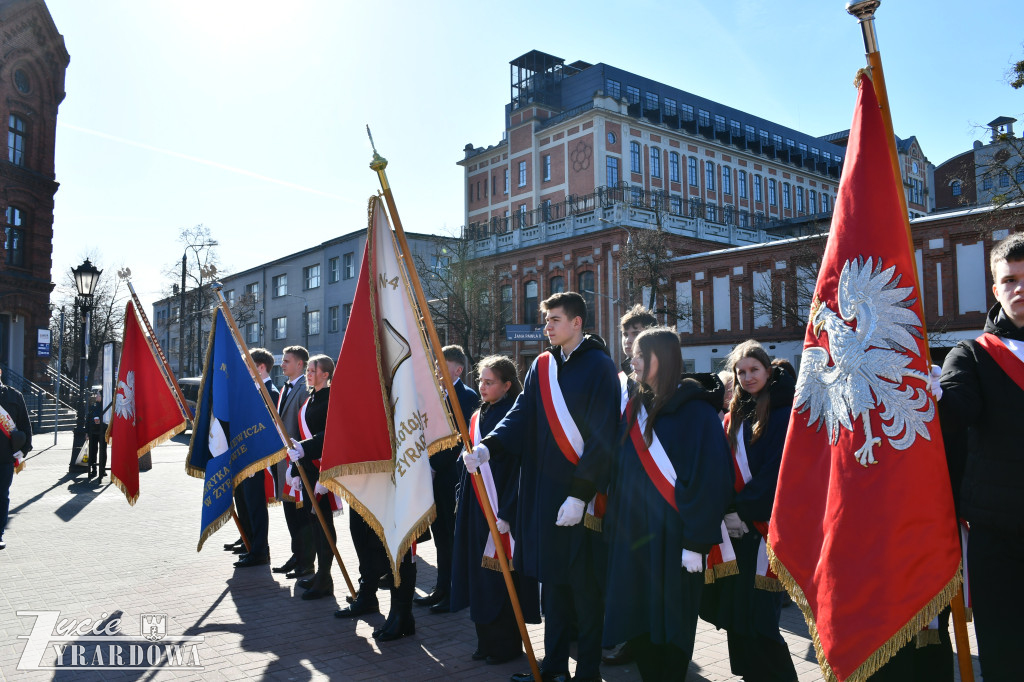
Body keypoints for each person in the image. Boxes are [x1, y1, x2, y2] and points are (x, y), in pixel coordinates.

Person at [465, 291, 620, 682]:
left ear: (577, 323)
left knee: (584, 592)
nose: (546, 326)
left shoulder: (600, 367)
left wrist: (580, 493)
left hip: (579, 500)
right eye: (545, 319)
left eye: (554, 319)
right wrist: (490, 446)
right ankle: (554, 667)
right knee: (553, 586)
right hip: (544, 493)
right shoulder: (541, 366)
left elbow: (604, 436)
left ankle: (587, 672)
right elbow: (521, 414)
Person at [604, 328, 733, 681]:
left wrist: (696, 542)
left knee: (672, 627)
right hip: (633, 538)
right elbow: (620, 468)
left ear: (665, 358)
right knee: (638, 622)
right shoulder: (635, 408)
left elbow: (713, 481)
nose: (634, 360)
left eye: (643, 355)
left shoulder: (698, 414)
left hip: (676, 541)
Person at [937, 231, 1024, 681]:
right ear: (995, 289)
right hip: (998, 535)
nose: (1019, 289)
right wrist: (929, 393)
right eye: (1009, 280)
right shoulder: (970, 354)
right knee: (1006, 655)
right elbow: (956, 411)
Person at [700, 340, 798, 682]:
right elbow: (724, 469)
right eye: (741, 372)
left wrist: (741, 512)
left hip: (764, 526)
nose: (747, 376)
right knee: (737, 615)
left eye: (754, 369)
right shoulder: (735, 415)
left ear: (768, 371)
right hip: (736, 529)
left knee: (760, 619)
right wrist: (728, 511)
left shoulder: (785, 414)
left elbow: (776, 473)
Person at [451, 355, 539, 665]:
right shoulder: (476, 417)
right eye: (481, 381)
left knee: (502, 580)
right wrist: (461, 496)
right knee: (479, 577)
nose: (483, 387)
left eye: (490, 382)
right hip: (476, 509)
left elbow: (519, 470)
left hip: (502, 512)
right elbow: (466, 466)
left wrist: (508, 513)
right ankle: (485, 639)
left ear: (507, 385)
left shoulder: (513, 419)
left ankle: (506, 644)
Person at [602, 303, 658, 667]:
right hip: (620, 489)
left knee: (647, 573)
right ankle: (631, 636)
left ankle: (648, 640)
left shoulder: (658, 386)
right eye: (625, 333)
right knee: (622, 570)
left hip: (651, 493)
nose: (628, 340)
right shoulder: (619, 380)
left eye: (636, 333)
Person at [415, 345, 479, 614]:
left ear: (458, 369)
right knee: (440, 535)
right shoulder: (434, 395)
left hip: (449, 477)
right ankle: (441, 587)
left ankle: (455, 592)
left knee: (453, 537)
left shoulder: (466, 397)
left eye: (440, 365)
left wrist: (434, 465)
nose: (436, 371)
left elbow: (458, 442)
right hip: (431, 474)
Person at [288, 354, 338, 600]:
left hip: (322, 471)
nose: (308, 373)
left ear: (325, 374)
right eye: (307, 370)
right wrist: (295, 469)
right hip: (308, 470)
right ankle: (320, 574)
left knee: (324, 525)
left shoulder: (331, 400)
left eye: (312, 370)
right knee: (314, 524)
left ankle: (325, 578)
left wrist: (326, 475)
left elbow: (329, 436)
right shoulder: (311, 399)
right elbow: (302, 435)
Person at [226, 349, 280, 559]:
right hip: (245, 456)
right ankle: (248, 539)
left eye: (247, 366)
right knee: (243, 500)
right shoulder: (252, 390)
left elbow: (268, 427)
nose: (244, 370)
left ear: (261, 367)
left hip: (257, 458)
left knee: (255, 503)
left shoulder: (271, 392)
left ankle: (259, 548)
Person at [1, 365, 32, 550]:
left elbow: (25, 427)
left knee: (1, 497)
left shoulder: (14, 396)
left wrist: (24, 450)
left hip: (4, 458)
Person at [87, 392, 107, 482]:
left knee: (103, 451)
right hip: (93, 432)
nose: (96, 396)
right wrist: (87, 432)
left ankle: (102, 469)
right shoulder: (93, 405)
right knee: (93, 451)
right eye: (97, 395)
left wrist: (100, 421)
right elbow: (88, 417)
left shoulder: (106, 406)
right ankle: (93, 469)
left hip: (102, 432)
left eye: (98, 395)